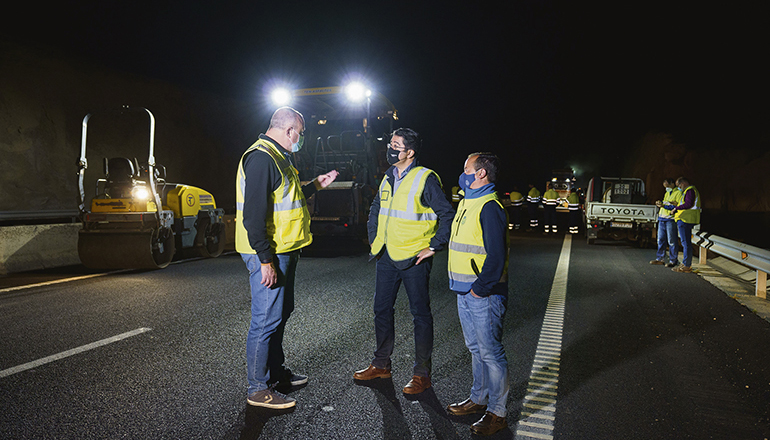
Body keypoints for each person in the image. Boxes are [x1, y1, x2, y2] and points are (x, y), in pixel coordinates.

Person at [236, 107, 339, 409]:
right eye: (301, 133)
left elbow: (287, 198)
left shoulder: (279, 157)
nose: (301, 139)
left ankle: (276, 375)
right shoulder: (262, 158)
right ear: (289, 129)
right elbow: (252, 216)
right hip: (270, 253)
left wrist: (316, 185)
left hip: (285, 250)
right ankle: (257, 389)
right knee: (265, 320)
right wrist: (265, 260)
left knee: (280, 314)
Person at [354, 128, 455, 395]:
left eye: (395, 145)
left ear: (409, 152)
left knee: (420, 316)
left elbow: (446, 214)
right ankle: (381, 365)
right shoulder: (388, 176)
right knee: (381, 310)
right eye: (390, 143)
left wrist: (434, 246)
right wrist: (374, 237)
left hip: (414, 258)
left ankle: (421, 375)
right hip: (386, 255)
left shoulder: (426, 178)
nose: (389, 148)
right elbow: (377, 207)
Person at [446, 152, 510, 436]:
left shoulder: (489, 207)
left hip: (483, 294)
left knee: (490, 353)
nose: (462, 174)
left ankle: (497, 412)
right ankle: (478, 398)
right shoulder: (468, 201)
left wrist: (478, 290)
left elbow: (496, 257)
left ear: (481, 173)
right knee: (475, 349)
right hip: (466, 291)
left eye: (466, 169)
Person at [669, 177, 701, 273]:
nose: (679, 188)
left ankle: (686, 265)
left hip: (686, 219)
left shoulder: (690, 190)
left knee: (685, 243)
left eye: (679, 185)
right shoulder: (689, 191)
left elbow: (688, 204)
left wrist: (676, 208)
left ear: (682, 183)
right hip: (686, 219)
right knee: (685, 242)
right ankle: (685, 263)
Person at [651, 178, 682, 267]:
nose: (666, 188)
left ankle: (673, 260)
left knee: (671, 241)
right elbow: (666, 203)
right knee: (660, 239)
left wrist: (664, 205)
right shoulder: (667, 193)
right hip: (662, 218)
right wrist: (660, 203)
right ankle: (659, 259)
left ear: (672, 184)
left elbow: (676, 206)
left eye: (667, 186)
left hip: (670, 219)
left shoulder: (678, 193)